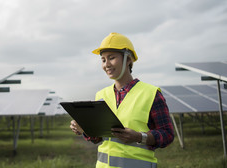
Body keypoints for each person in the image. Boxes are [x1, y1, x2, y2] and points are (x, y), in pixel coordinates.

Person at [69, 32, 174, 168]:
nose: (106, 64)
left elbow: (167, 135)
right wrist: (84, 129)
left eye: (111, 58)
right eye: (103, 60)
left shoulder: (151, 94)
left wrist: (139, 137)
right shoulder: (101, 95)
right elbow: (99, 138)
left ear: (128, 59)